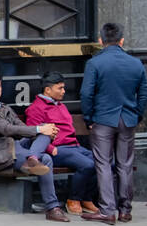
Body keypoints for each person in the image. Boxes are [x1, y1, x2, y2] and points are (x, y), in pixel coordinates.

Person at [0, 71, 64, 221]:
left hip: (15, 149)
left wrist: (45, 129)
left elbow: (22, 128)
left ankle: (33, 158)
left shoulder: (4, 107)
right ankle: (52, 206)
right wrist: (39, 129)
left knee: (45, 132)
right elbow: (5, 129)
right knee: (45, 156)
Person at [80, 24, 147, 225]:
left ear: (100, 40)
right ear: (122, 40)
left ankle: (107, 210)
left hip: (102, 119)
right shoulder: (136, 63)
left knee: (103, 164)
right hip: (127, 119)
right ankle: (125, 210)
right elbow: (144, 94)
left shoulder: (95, 63)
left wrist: (89, 118)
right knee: (125, 164)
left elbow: (86, 94)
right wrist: (137, 114)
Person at [25, 71, 98, 216]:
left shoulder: (60, 106)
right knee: (88, 165)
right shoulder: (36, 108)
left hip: (74, 146)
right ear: (48, 89)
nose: (64, 91)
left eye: (64, 88)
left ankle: (86, 198)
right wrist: (51, 148)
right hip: (58, 149)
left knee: (105, 163)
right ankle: (73, 199)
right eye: (60, 88)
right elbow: (34, 135)